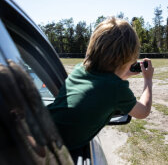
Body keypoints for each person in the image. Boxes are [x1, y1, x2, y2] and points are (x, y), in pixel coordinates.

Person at [47, 17, 154, 159]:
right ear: (129, 58)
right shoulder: (115, 89)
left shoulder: (80, 69)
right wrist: (148, 79)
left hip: (40, 130)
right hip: (51, 151)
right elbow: (143, 111)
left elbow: (99, 85)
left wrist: (122, 74)